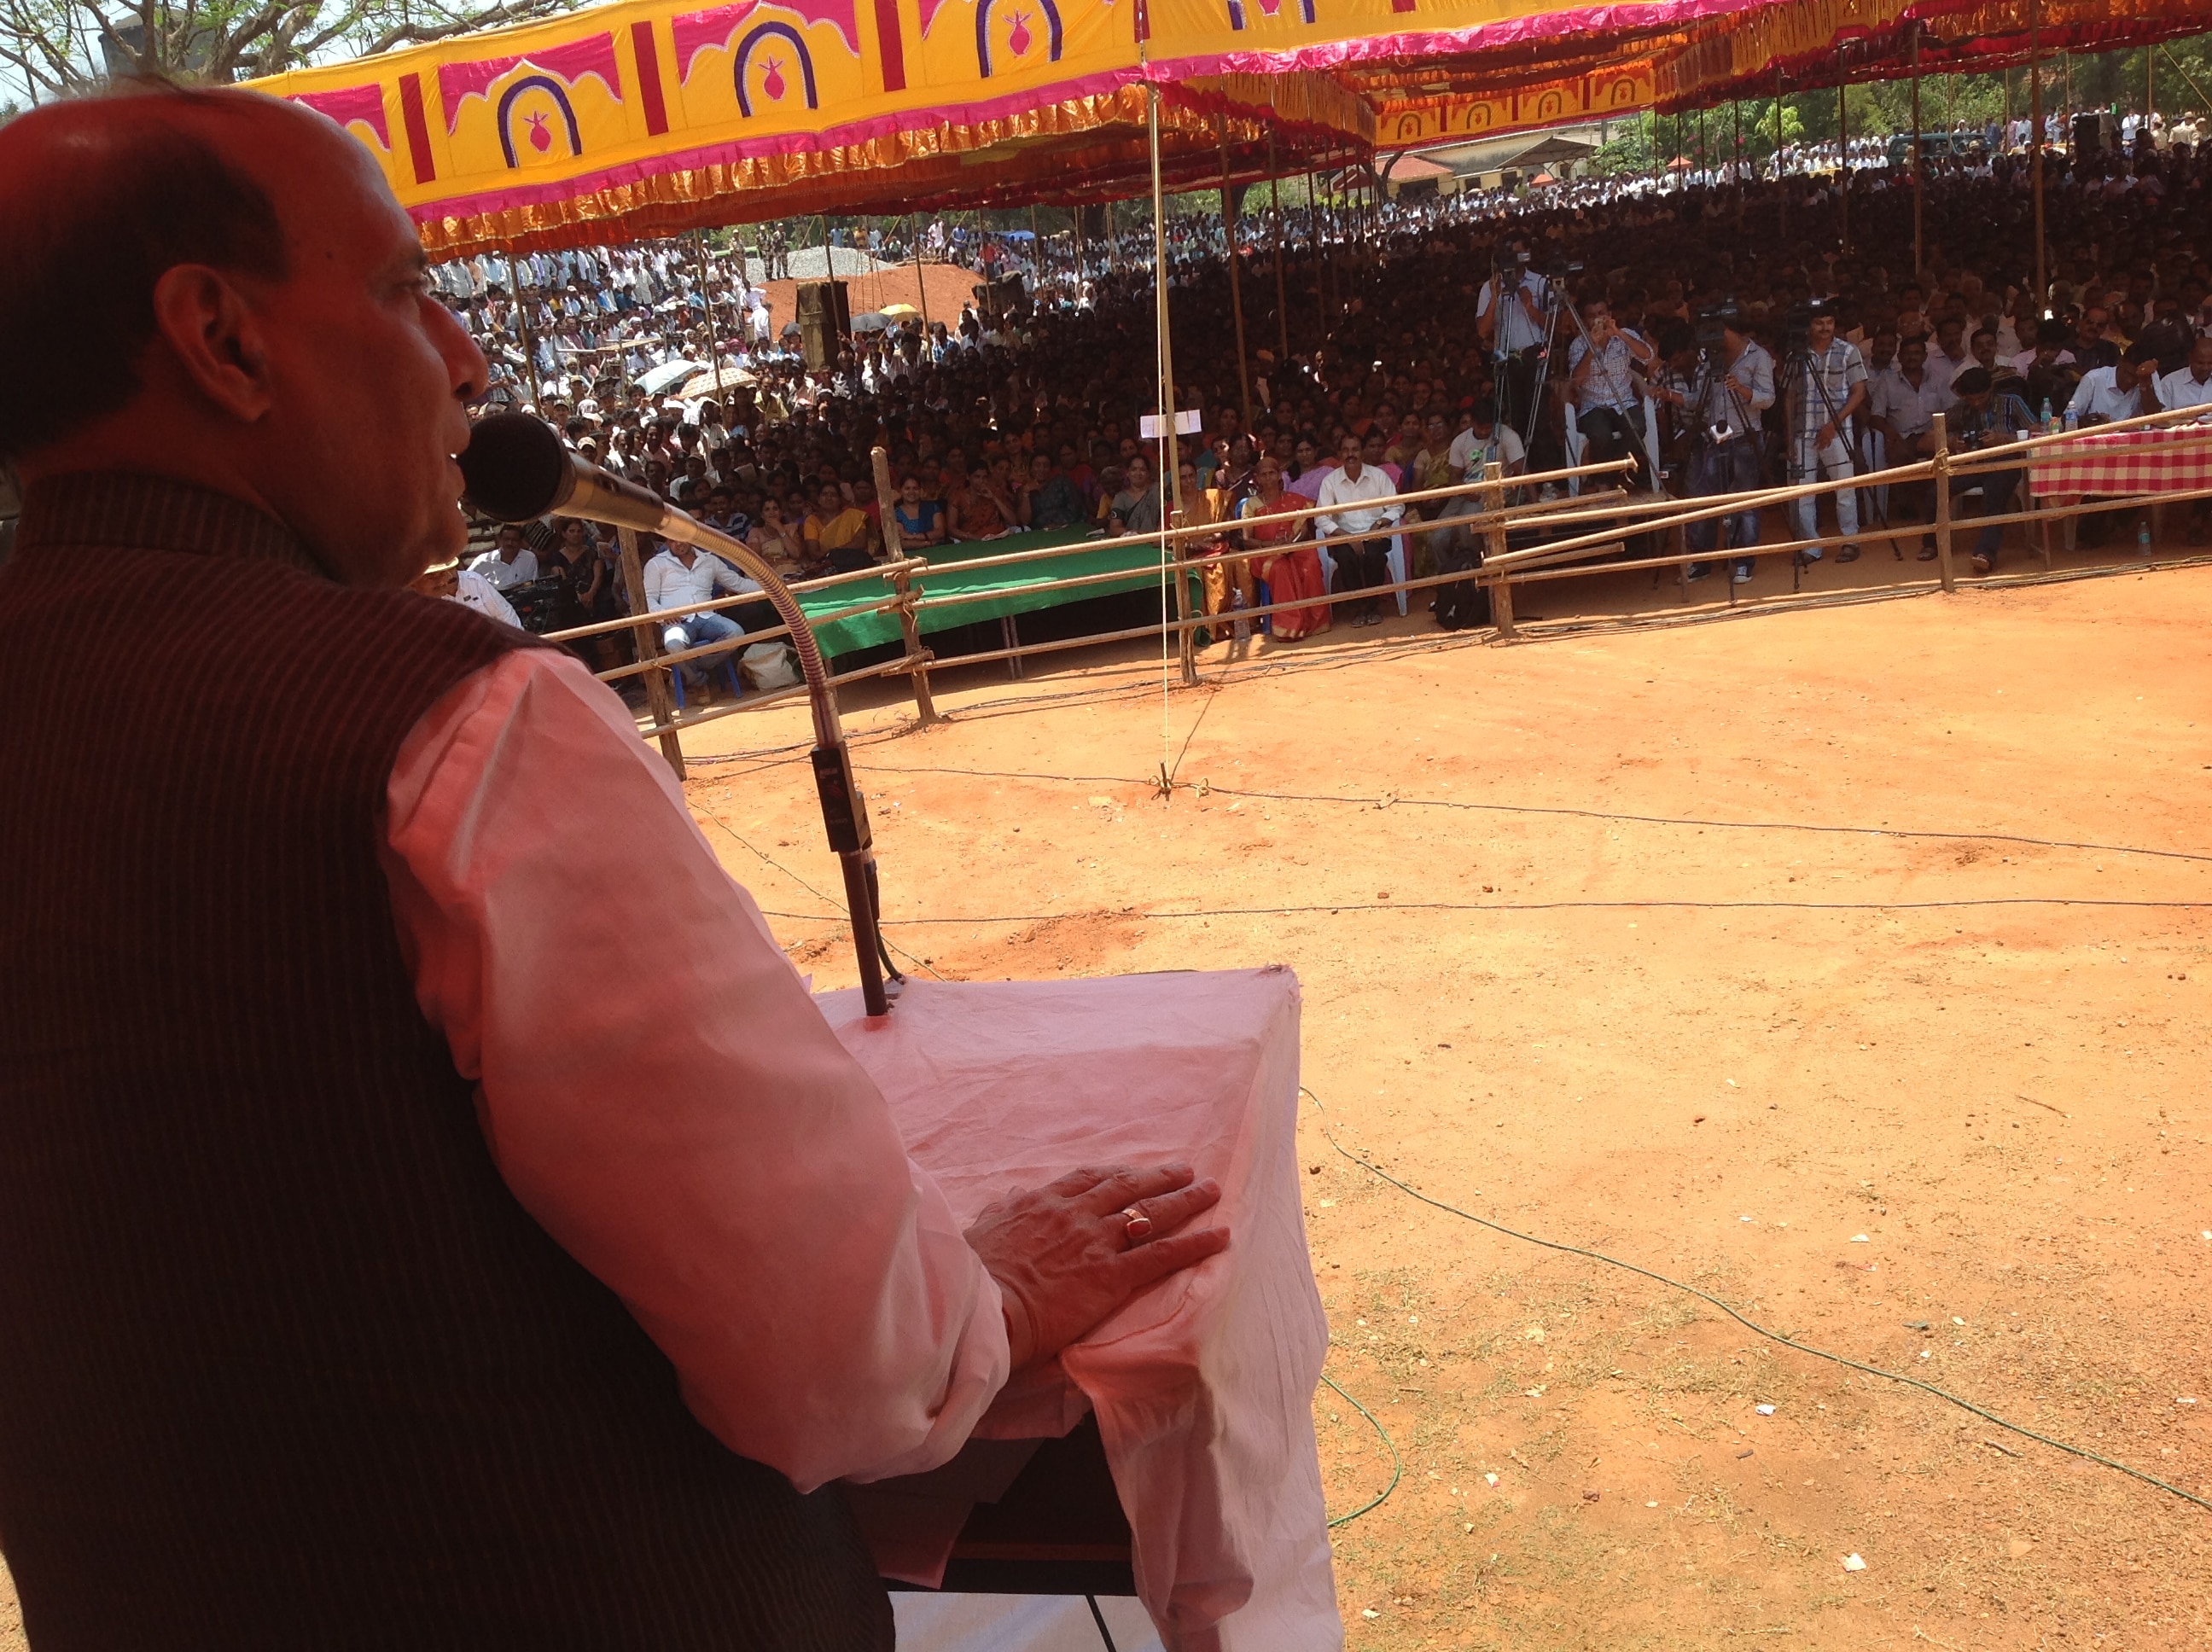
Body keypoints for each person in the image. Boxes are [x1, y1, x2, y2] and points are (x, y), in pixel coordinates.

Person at [0, 84, 1230, 1649]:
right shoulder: (455, 723)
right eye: (395, 287)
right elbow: (848, 1363)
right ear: (223, 342)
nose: (464, 356)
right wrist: (980, 1297)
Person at [1671, 306, 1773, 584]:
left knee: (1745, 501)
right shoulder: (1709, 361)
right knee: (1705, 500)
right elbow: (1699, 400)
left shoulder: (1758, 356)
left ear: (1728, 329)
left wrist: (1741, 388)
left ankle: (1743, 562)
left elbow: (1768, 399)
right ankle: (1701, 562)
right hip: (1716, 436)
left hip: (1745, 434)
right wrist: (1672, 396)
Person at [1782, 303, 1867, 562]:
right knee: (1802, 493)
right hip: (1803, 432)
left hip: (1838, 431)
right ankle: (1810, 547)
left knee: (1844, 489)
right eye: (1819, 322)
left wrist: (1834, 424)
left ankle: (1849, 541)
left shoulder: (1848, 351)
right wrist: (1788, 436)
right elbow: (1790, 397)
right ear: (1809, 326)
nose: (1825, 328)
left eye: (1829, 322)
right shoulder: (1795, 355)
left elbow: (1859, 392)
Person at [1943, 366, 2036, 573]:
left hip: (2007, 462)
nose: (1976, 403)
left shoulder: (2012, 402)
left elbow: (2038, 432)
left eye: (1981, 397)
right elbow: (1929, 436)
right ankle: (1932, 543)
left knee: (1994, 495)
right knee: (1938, 489)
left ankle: (1985, 553)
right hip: (1975, 463)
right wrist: (1952, 442)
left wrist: (2005, 439)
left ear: (1991, 389)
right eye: (1971, 399)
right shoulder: (1961, 408)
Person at [1314, 433, 1401, 626]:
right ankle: (1358, 609)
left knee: (1375, 556)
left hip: (1376, 532)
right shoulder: (1330, 482)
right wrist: (1347, 537)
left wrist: (1379, 525)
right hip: (1344, 536)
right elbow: (1321, 517)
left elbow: (1397, 507)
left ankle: (1372, 607)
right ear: (1339, 454)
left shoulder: (1378, 476)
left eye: (1355, 450)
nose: (1350, 454)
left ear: (1362, 453)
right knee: (1345, 557)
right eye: (1346, 450)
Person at [1240, 454, 1329, 640]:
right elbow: (1247, 540)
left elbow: (1303, 530)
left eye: (1272, 473)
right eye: (1263, 475)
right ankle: (1289, 628)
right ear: (1257, 479)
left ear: (1280, 475)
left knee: (1311, 561)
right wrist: (1271, 545)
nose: (1268, 478)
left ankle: (1317, 622)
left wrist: (1291, 544)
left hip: (1294, 548)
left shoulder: (1295, 500)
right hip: (1266, 554)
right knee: (1281, 569)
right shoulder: (1251, 505)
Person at [411, 555, 522, 627]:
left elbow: (505, 615)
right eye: (432, 576)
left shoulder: (474, 581)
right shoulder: (416, 606)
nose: (445, 579)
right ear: (413, 583)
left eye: (448, 571)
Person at [803, 479, 878, 571]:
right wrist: (831, 556)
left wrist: (834, 553)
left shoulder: (854, 515)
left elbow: (860, 543)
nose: (829, 498)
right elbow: (814, 553)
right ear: (818, 499)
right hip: (825, 567)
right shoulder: (812, 520)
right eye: (824, 494)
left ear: (840, 499)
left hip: (852, 564)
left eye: (833, 495)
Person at [470, 519, 538, 589]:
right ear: (500, 539)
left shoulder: (529, 558)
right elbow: (466, 581)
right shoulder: (483, 561)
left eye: (514, 540)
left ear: (521, 542)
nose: (510, 543)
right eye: (506, 539)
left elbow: (532, 585)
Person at [890, 474, 946, 547]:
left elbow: (940, 533)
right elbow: (902, 543)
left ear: (920, 490)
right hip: (911, 555)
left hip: (936, 550)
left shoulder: (932, 507)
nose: (912, 492)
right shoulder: (897, 513)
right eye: (907, 488)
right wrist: (928, 543)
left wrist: (912, 536)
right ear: (901, 490)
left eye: (915, 488)